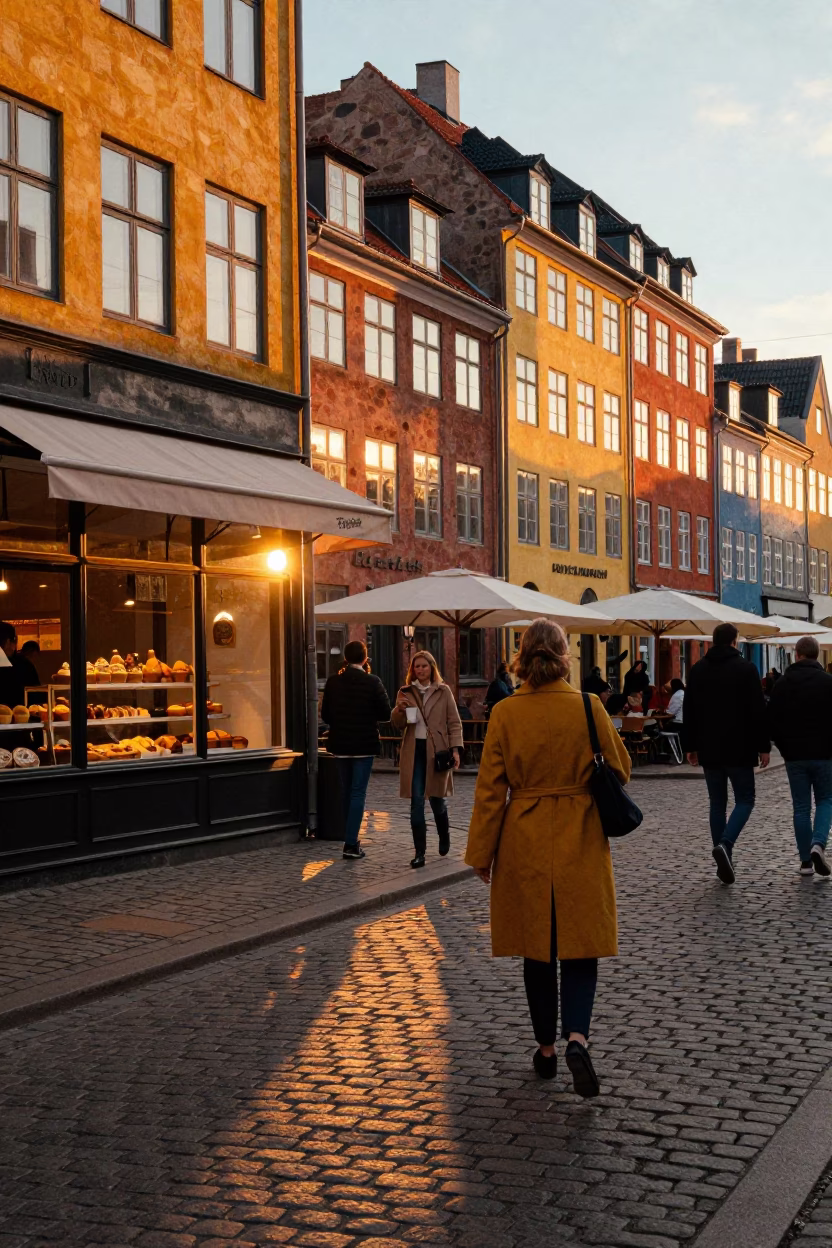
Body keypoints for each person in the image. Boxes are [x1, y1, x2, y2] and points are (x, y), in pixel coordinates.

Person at [465, 618, 631, 1099]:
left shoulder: (506, 712)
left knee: (537, 947)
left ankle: (544, 1050)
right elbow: (620, 769)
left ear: (522, 655)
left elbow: (491, 791)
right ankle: (577, 1036)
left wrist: (481, 853)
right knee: (581, 944)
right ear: (563, 655)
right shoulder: (588, 705)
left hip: (525, 836)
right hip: (580, 832)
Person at [683, 623, 770, 885]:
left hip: (709, 747)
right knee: (745, 799)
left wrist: (690, 746)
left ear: (713, 641)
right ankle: (726, 844)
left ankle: (724, 861)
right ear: (734, 642)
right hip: (740, 748)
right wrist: (763, 746)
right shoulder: (746, 669)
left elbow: (690, 711)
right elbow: (757, 711)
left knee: (717, 804)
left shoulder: (697, 670)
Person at [391, 650, 463, 869]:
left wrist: (456, 750)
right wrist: (399, 710)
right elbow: (398, 724)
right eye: (416, 667)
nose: (420, 670)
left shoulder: (443, 691)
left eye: (424, 666)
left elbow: (454, 722)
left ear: (432, 667)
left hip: (437, 751)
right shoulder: (405, 692)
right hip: (414, 751)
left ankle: (444, 835)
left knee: (437, 800)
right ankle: (419, 852)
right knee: (416, 802)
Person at [767, 636, 832, 877]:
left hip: (794, 755)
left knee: (801, 807)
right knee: (826, 800)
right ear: (817, 654)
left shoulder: (782, 684)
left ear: (797, 654)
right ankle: (818, 843)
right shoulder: (828, 682)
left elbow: (771, 720)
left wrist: (784, 747)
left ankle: (805, 862)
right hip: (824, 753)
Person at [320, 640, 391, 861]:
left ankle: (349, 837)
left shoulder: (333, 683)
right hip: (363, 745)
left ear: (346, 658)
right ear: (364, 658)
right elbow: (385, 714)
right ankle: (350, 844)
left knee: (346, 792)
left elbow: (325, 716)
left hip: (340, 745)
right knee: (358, 792)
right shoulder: (373, 682)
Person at [0, 622, 26, 709]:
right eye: (14, 642)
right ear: (8, 642)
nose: (14, 648)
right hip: (15, 716)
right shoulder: (20, 665)